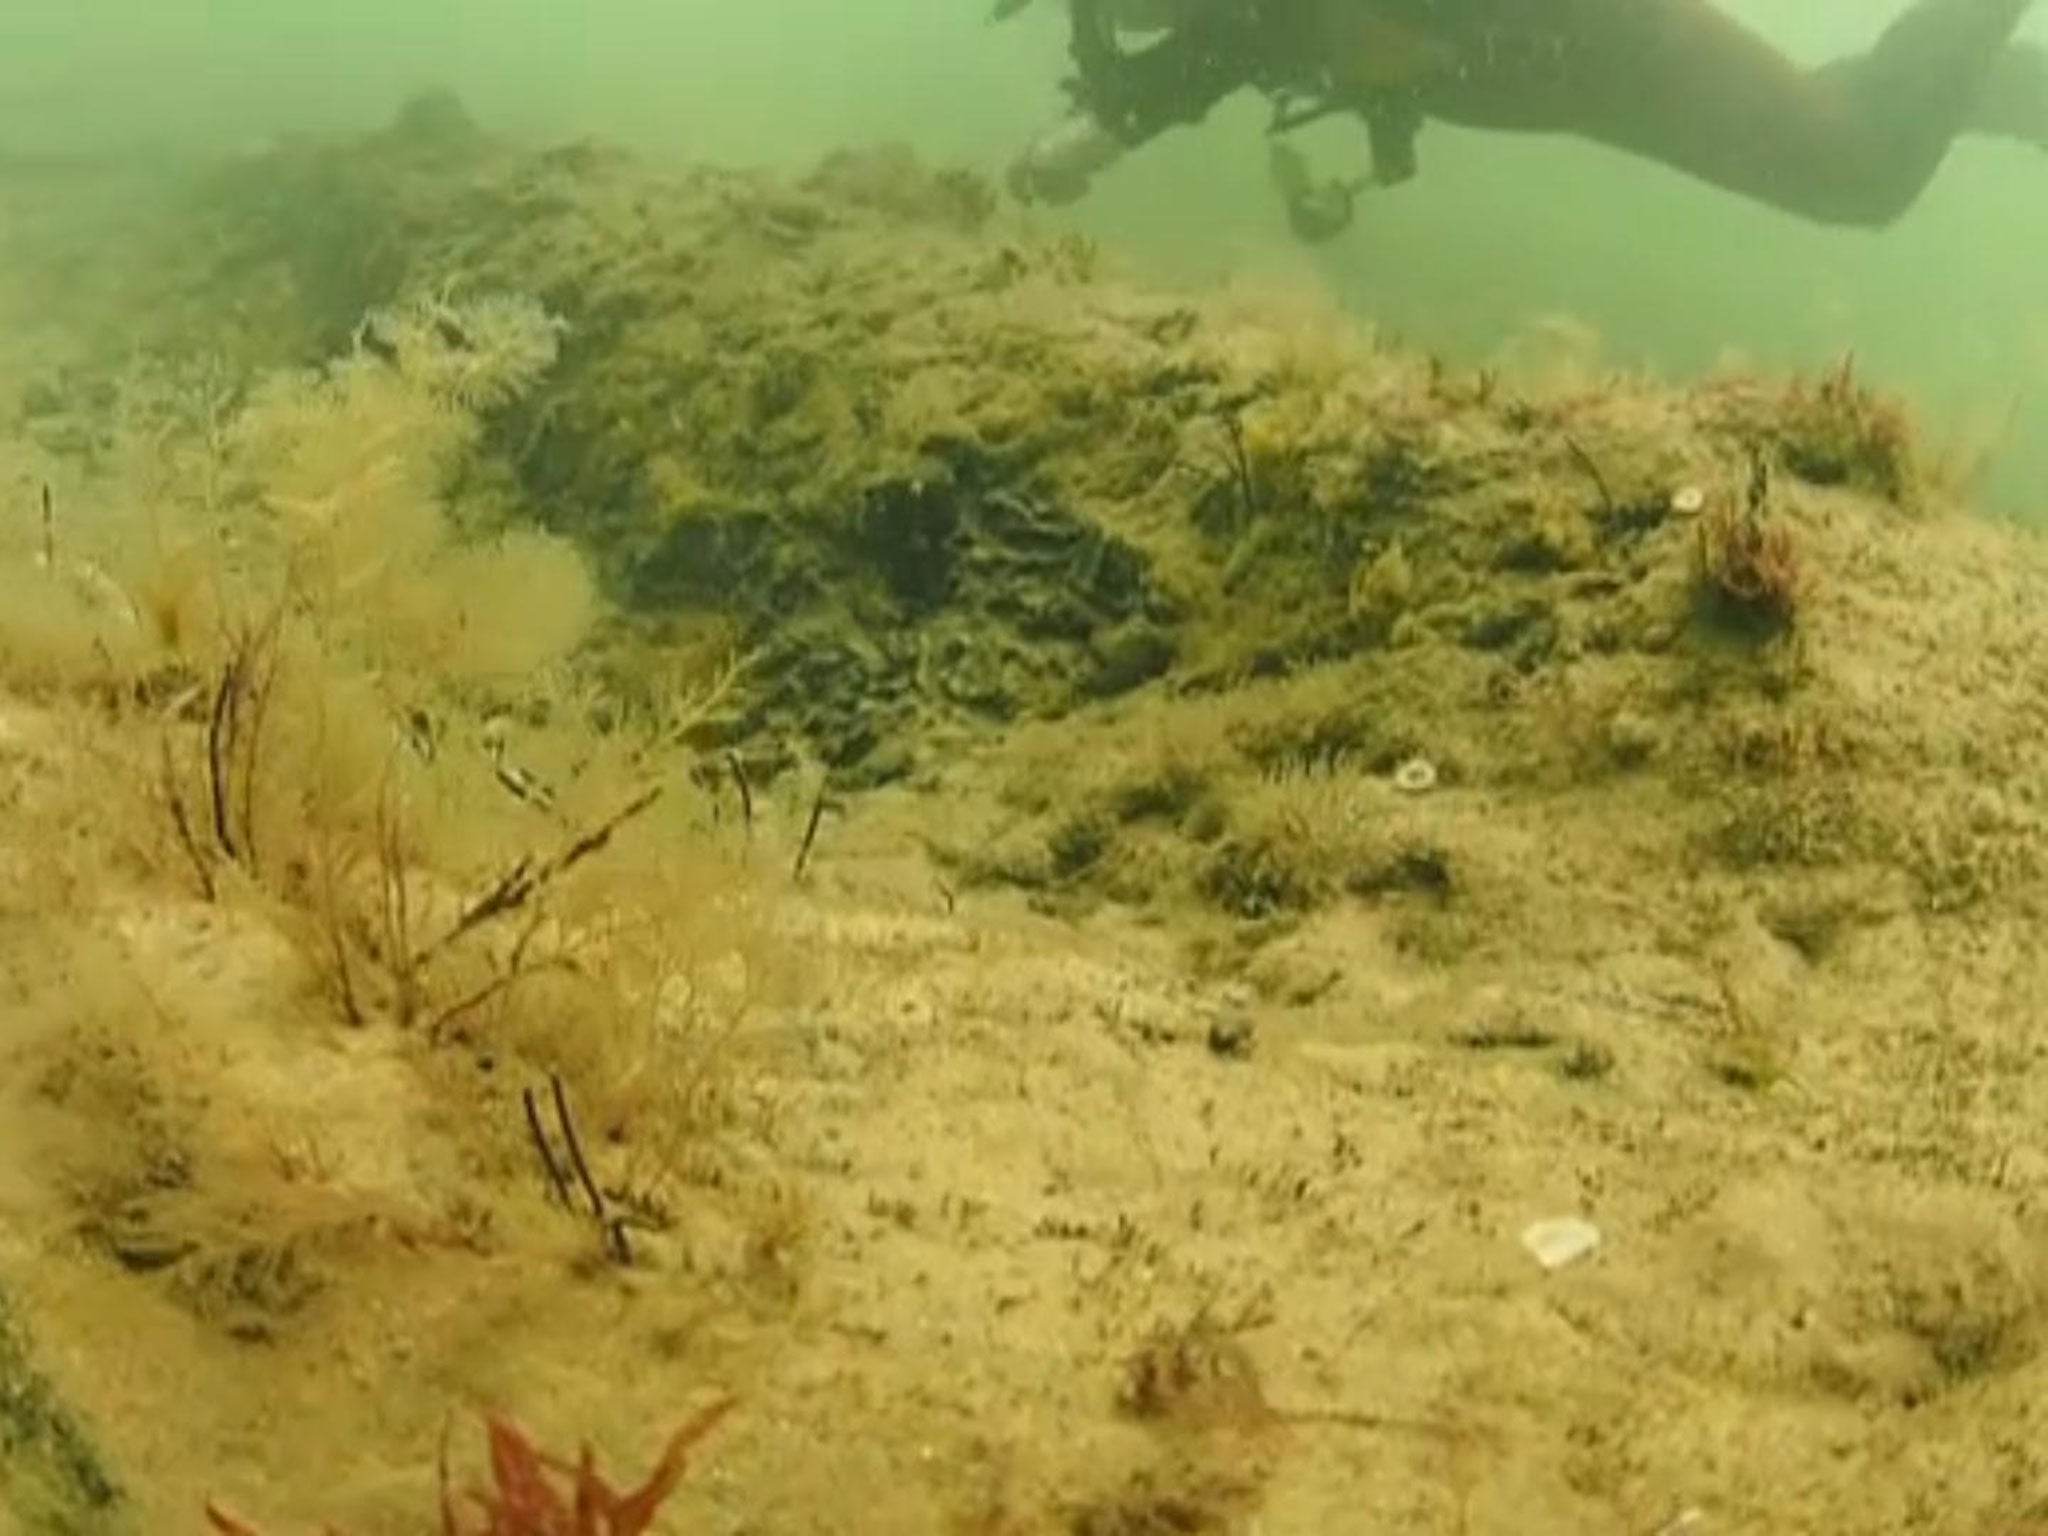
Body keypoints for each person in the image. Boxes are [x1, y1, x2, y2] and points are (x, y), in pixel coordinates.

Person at [1003, 0, 2048, 237]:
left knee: (1855, 170)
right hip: (1591, 77)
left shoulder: (1249, 15)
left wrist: (1077, 145)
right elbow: (1229, 49)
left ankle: (1980, 63)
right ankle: (2000, 84)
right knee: (1836, 126)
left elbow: (1221, 49)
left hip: (1615, 53)